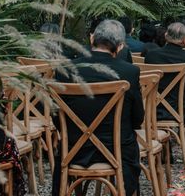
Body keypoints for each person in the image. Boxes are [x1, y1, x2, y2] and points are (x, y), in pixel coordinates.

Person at [52, 20, 144, 196]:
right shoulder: (130, 72)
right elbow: (137, 118)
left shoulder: (65, 70)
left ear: (92, 38)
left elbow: (55, 114)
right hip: (117, 151)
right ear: (120, 46)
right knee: (130, 145)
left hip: (73, 150)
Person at [145, 22, 185, 164]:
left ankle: (164, 153)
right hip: (180, 110)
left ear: (166, 36)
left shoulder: (151, 56)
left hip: (152, 109)